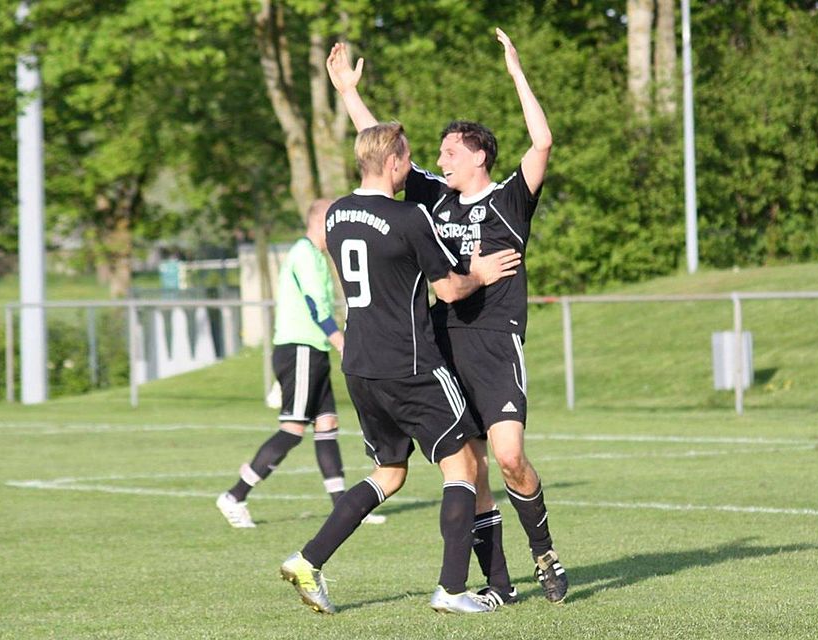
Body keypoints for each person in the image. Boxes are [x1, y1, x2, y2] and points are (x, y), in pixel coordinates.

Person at [326, 28, 568, 605]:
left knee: (510, 459)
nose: (438, 161)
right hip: (441, 343)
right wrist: (348, 93)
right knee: (473, 472)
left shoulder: (510, 201)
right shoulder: (432, 197)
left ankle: (544, 552)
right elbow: (378, 150)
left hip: (495, 342)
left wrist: (516, 72)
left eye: (450, 153)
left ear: (480, 156)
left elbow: (542, 141)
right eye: (436, 155)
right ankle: (497, 584)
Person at [279, 122, 522, 615]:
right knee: (463, 466)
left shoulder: (337, 214)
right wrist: (479, 272)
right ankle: (452, 590)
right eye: (407, 158)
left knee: (389, 471)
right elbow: (448, 290)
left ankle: (308, 560)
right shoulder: (412, 217)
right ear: (392, 163)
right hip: (409, 364)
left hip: (360, 365)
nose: (412, 166)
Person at [216, 199, 385, 528]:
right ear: (321, 220)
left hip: (312, 350)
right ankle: (234, 496)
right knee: (293, 429)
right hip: (300, 349)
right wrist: (340, 341)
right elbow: (314, 304)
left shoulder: (318, 257)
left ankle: (343, 508)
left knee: (327, 427)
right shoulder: (305, 255)